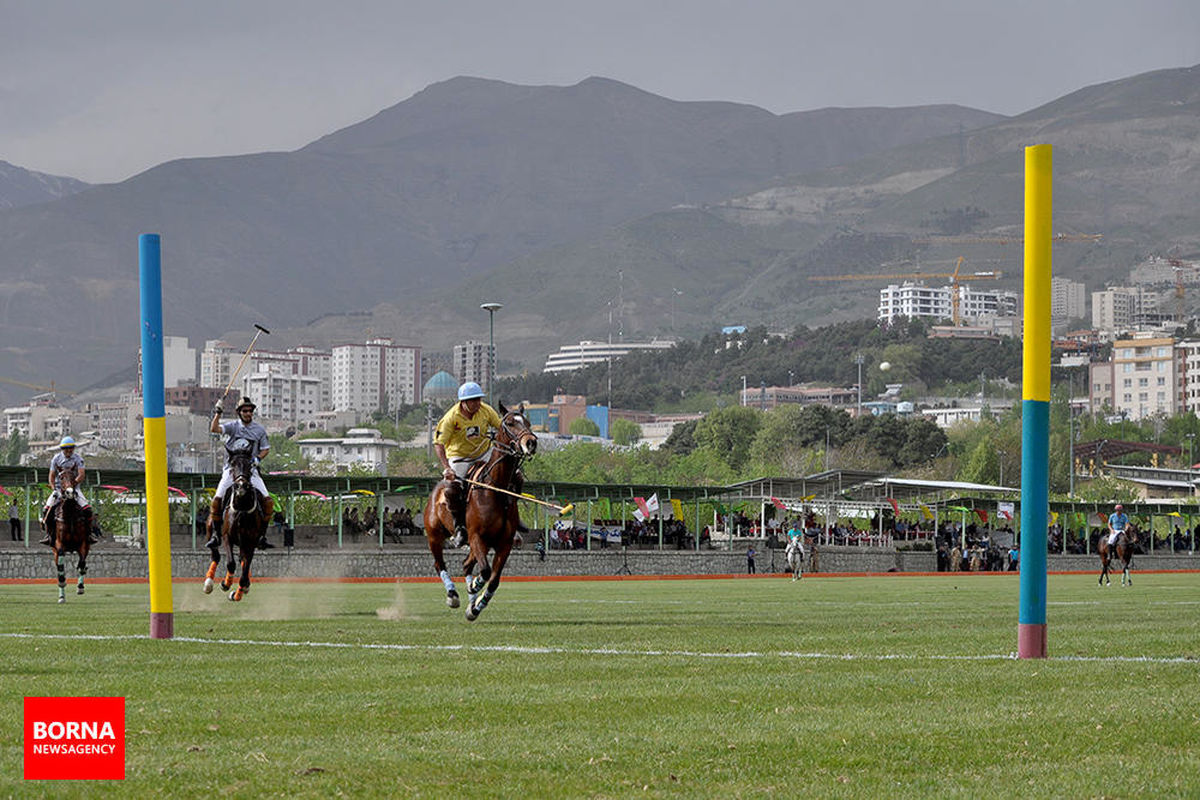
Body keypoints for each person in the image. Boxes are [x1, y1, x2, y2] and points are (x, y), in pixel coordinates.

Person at [433, 381, 503, 548]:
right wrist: (447, 467)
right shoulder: (450, 418)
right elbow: (438, 444)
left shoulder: (486, 410)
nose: (477, 403)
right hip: (460, 457)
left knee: (507, 475)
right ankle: (459, 529)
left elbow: (501, 427)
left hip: (484, 453)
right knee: (452, 490)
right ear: (463, 402)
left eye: (478, 399)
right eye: (473, 400)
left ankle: (512, 520)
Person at [205, 397, 273, 549]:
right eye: (245, 411)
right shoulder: (233, 427)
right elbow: (214, 429)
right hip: (231, 471)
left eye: (250, 411)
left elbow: (265, 449)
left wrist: (258, 459)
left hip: (251, 471)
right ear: (239, 412)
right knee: (217, 499)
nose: (248, 413)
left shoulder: (259, 430)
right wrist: (218, 412)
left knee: (268, 502)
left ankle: (262, 536)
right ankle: (216, 535)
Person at [40, 436, 98, 545]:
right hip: (59, 489)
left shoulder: (78, 459)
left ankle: (90, 534)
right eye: (66, 449)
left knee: (88, 510)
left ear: (73, 448)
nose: (68, 451)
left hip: (74, 489)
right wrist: (53, 488)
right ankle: (48, 535)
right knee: (46, 510)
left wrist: (71, 485)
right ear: (62, 449)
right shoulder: (56, 459)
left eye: (70, 448)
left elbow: (81, 474)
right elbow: (51, 476)